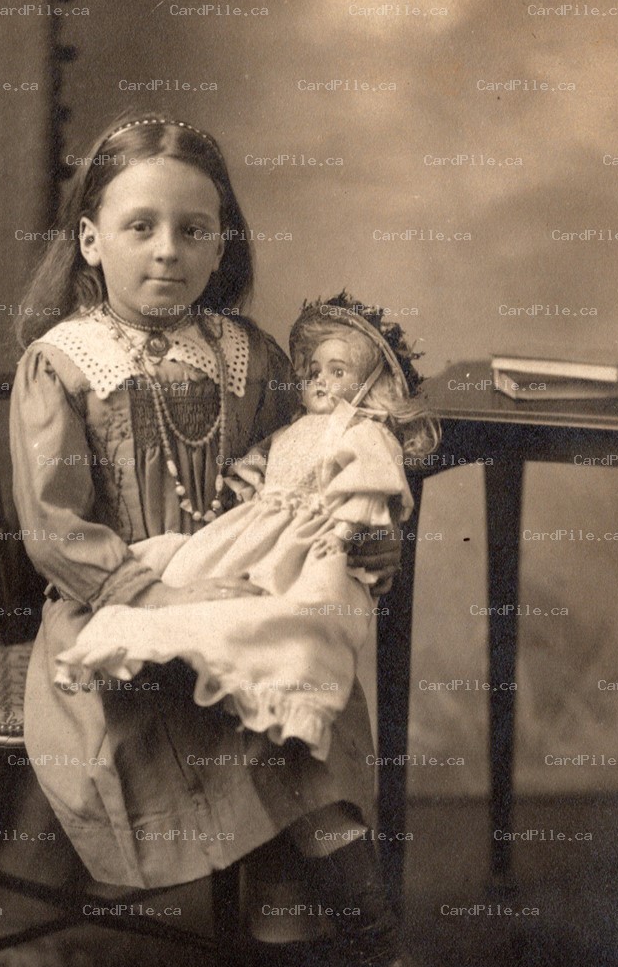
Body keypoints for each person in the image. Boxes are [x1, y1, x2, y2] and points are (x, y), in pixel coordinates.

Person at [9, 112, 472, 967]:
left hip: (241, 607)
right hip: (111, 622)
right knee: (267, 730)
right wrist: (160, 601)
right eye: (140, 227)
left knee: (280, 701)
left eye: (193, 229)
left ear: (223, 242)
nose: (167, 251)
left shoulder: (249, 354)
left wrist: (368, 550)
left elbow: (299, 482)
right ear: (90, 239)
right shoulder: (63, 361)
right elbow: (53, 528)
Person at [53, 299, 427, 765]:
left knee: (291, 622)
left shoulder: (264, 365)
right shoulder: (61, 360)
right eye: (314, 371)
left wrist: (363, 527)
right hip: (185, 558)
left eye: (338, 372)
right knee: (182, 570)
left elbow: (369, 477)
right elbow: (56, 528)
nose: (318, 381)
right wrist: (241, 485)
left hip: (292, 552)